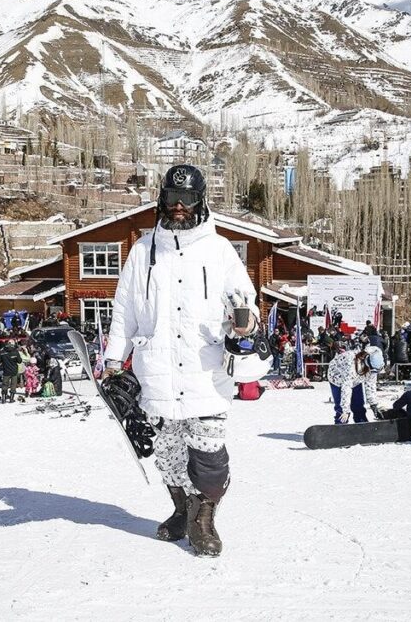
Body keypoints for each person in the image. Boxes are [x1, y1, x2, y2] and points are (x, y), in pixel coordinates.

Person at [102, 163, 259, 558]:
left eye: (187, 199)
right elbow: (124, 312)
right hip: (156, 374)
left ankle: (204, 518)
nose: (179, 207)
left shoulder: (219, 250)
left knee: (208, 457)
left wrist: (245, 322)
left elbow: (246, 301)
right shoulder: (142, 252)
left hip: (205, 372)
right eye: (173, 198)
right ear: (162, 199)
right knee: (168, 455)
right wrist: (113, 360)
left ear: (201, 201)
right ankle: (181, 509)